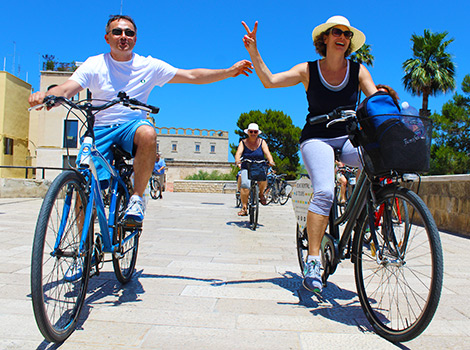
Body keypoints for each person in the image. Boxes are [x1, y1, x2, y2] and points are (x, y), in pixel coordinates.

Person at [29, 15, 253, 226]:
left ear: (136, 38)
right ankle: (82, 250)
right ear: (107, 37)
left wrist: (228, 71)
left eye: (129, 32)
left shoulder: (149, 65)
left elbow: (192, 75)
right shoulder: (94, 64)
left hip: (132, 127)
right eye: (117, 32)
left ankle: (136, 199)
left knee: (148, 132)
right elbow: (68, 87)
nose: (123, 36)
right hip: (100, 130)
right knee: (83, 186)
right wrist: (49, 95)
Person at [242, 16, 377, 292]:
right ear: (324, 39)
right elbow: (269, 81)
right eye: (336, 32)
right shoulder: (308, 70)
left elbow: (375, 102)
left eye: (347, 34)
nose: (342, 37)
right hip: (317, 137)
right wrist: (254, 50)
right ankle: (313, 259)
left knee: (378, 160)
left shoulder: (358, 70)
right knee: (325, 192)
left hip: (349, 138)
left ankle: (369, 224)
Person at [234, 123, 275, 216]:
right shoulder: (243, 142)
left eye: (255, 132)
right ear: (248, 132)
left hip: (259, 165)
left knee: (264, 179)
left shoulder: (262, 142)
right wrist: (237, 160)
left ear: (258, 133)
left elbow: (267, 153)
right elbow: (238, 153)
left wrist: (271, 161)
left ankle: (261, 194)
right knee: (244, 185)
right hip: (246, 166)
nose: (253, 133)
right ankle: (244, 207)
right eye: (251, 131)